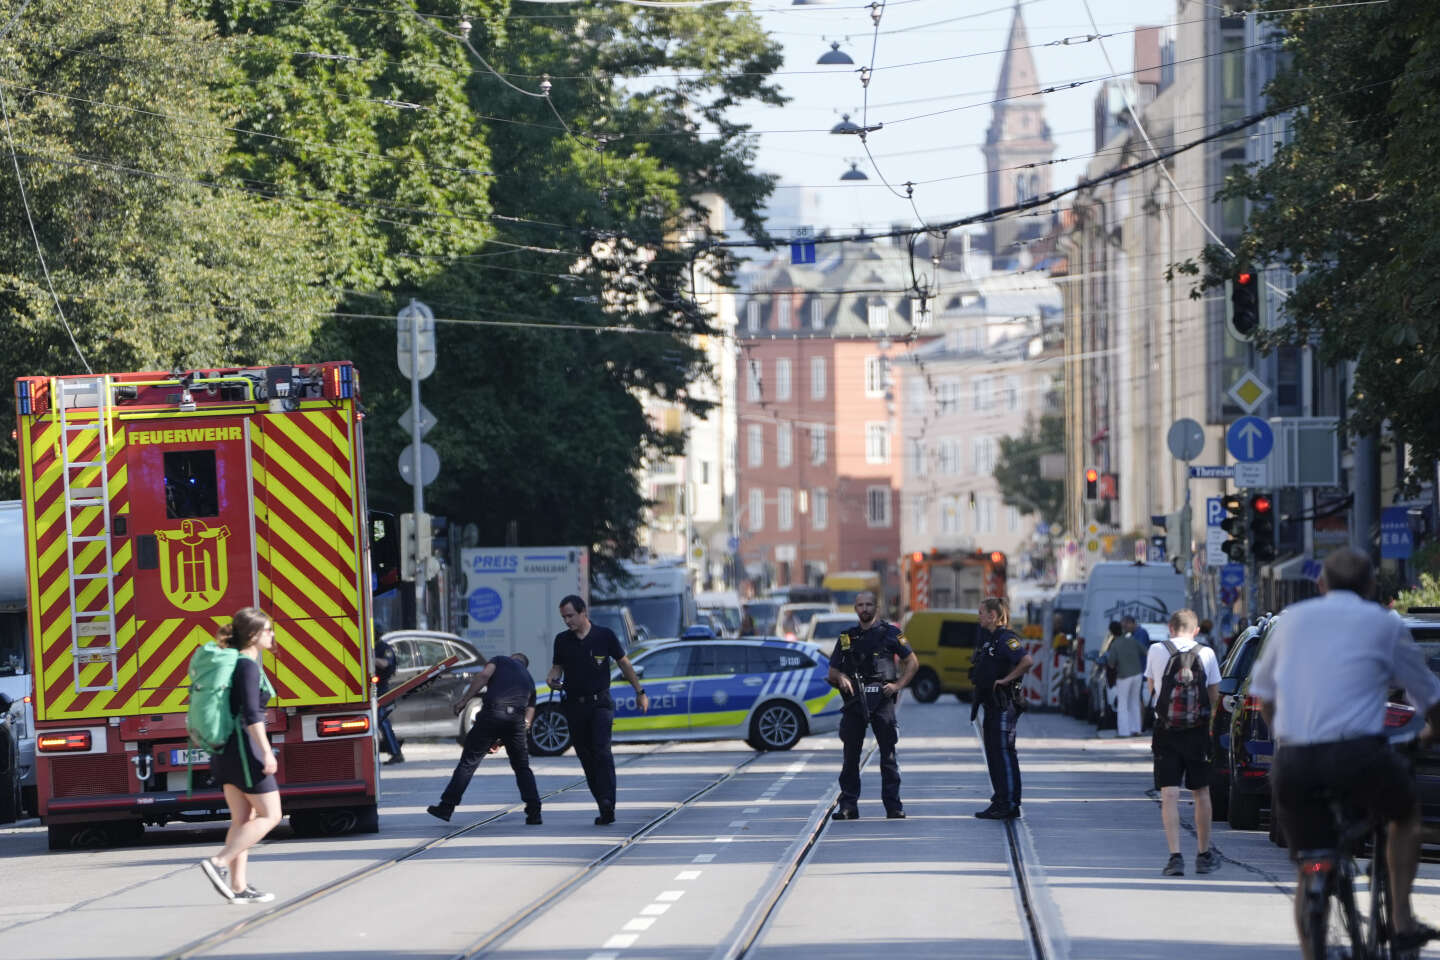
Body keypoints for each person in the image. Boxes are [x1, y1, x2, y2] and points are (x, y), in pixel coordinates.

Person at [1250, 549, 1440, 958]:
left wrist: (1284, 734)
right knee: (1404, 814)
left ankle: (1311, 949)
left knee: (1309, 866)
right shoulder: (1384, 624)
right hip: (1359, 756)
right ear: (1371, 586)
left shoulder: (1293, 621)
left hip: (1295, 761)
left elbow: (1263, 694)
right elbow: (1428, 695)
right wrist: (1431, 732)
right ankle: (1402, 918)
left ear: (1321, 585)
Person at [199, 607, 281, 905]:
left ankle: (238, 886)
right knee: (272, 815)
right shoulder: (246, 665)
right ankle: (219, 863)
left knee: (242, 819)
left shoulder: (232, 663)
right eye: (268, 630)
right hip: (244, 751)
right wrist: (265, 752)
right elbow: (251, 714)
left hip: (226, 749)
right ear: (254, 635)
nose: (272, 635)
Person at [546, 594, 648, 825]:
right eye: (563, 617)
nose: (567, 621)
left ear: (583, 613)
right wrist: (552, 678)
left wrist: (639, 692)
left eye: (571, 616)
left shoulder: (605, 635)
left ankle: (608, 802)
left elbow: (624, 663)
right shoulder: (562, 640)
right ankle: (601, 802)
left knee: (602, 751)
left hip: (600, 703)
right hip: (574, 705)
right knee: (586, 756)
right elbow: (556, 668)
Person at [827, 590, 918, 820]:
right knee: (850, 757)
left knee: (887, 756)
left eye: (869, 605)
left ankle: (893, 806)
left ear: (876, 608)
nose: (864, 609)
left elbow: (912, 662)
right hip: (855, 701)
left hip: (882, 699)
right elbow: (833, 671)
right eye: (860, 605)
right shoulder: (847, 637)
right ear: (855, 608)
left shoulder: (891, 634)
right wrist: (842, 679)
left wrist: (897, 686)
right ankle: (848, 806)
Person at [1144, 608, 1221, 877]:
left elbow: (1153, 689)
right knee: (1201, 792)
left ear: (1170, 627)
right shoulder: (1207, 652)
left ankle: (1175, 856)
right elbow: (1214, 695)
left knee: (1169, 794)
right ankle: (1203, 854)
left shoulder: (1156, 649)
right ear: (1196, 630)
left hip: (1165, 731)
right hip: (1197, 732)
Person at [428, 652, 542, 825]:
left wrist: (464, 701)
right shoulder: (529, 680)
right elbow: (527, 720)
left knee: (468, 762)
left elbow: (484, 675)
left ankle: (446, 807)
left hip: (492, 714)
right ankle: (534, 812)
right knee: (522, 767)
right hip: (516, 720)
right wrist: (503, 740)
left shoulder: (501, 660)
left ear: (512, 658)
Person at [971, 597, 1033, 819]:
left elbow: (1026, 661)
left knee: (1004, 753)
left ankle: (1009, 803)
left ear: (993, 616)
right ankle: (1000, 799)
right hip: (991, 704)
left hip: (1003, 703)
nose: (978, 616)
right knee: (994, 755)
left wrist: (1006, 680)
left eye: (981, 612)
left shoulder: (1006, 639)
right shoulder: (990, 640)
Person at [1109, 618, 1146, 737]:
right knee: (1134, 702)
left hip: (1124, 676)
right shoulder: (1132, 640)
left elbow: (1111, 663)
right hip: (1138, 674)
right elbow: (1145, 651)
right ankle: (1136, 729)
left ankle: (1124, 731)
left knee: (1123, 704)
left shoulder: (1115, 644)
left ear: (1112, 632)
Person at [374, 634, 403, 764]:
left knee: (383, 721)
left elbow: (385, 663)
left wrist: (370, 658)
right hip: (373, 689)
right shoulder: (372, 646)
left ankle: (396, 753)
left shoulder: (383, 648)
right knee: (380, 722)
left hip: (381, 690)